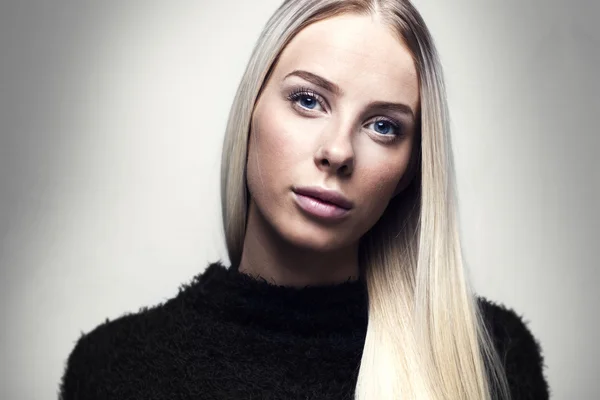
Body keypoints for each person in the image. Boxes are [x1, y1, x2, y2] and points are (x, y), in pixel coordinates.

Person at [58, 0, 550, 399]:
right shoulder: (112, 370)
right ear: (250, 110)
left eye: (383, 126)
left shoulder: (493, 358)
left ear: (408, 173)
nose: (337, 152)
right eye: (308, 100)